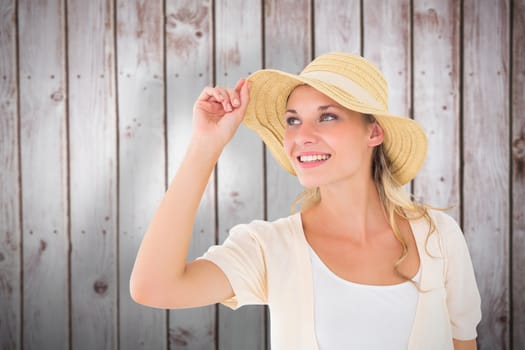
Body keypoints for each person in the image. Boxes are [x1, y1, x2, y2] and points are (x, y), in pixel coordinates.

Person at [130, 52, 481, 350]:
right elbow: (154, 287)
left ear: (373, 132)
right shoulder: (271, 247)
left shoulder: (437, 236)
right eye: (293, 121)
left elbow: (463, 342)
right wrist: (205, 146)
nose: (302, 137)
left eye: (327, 116)